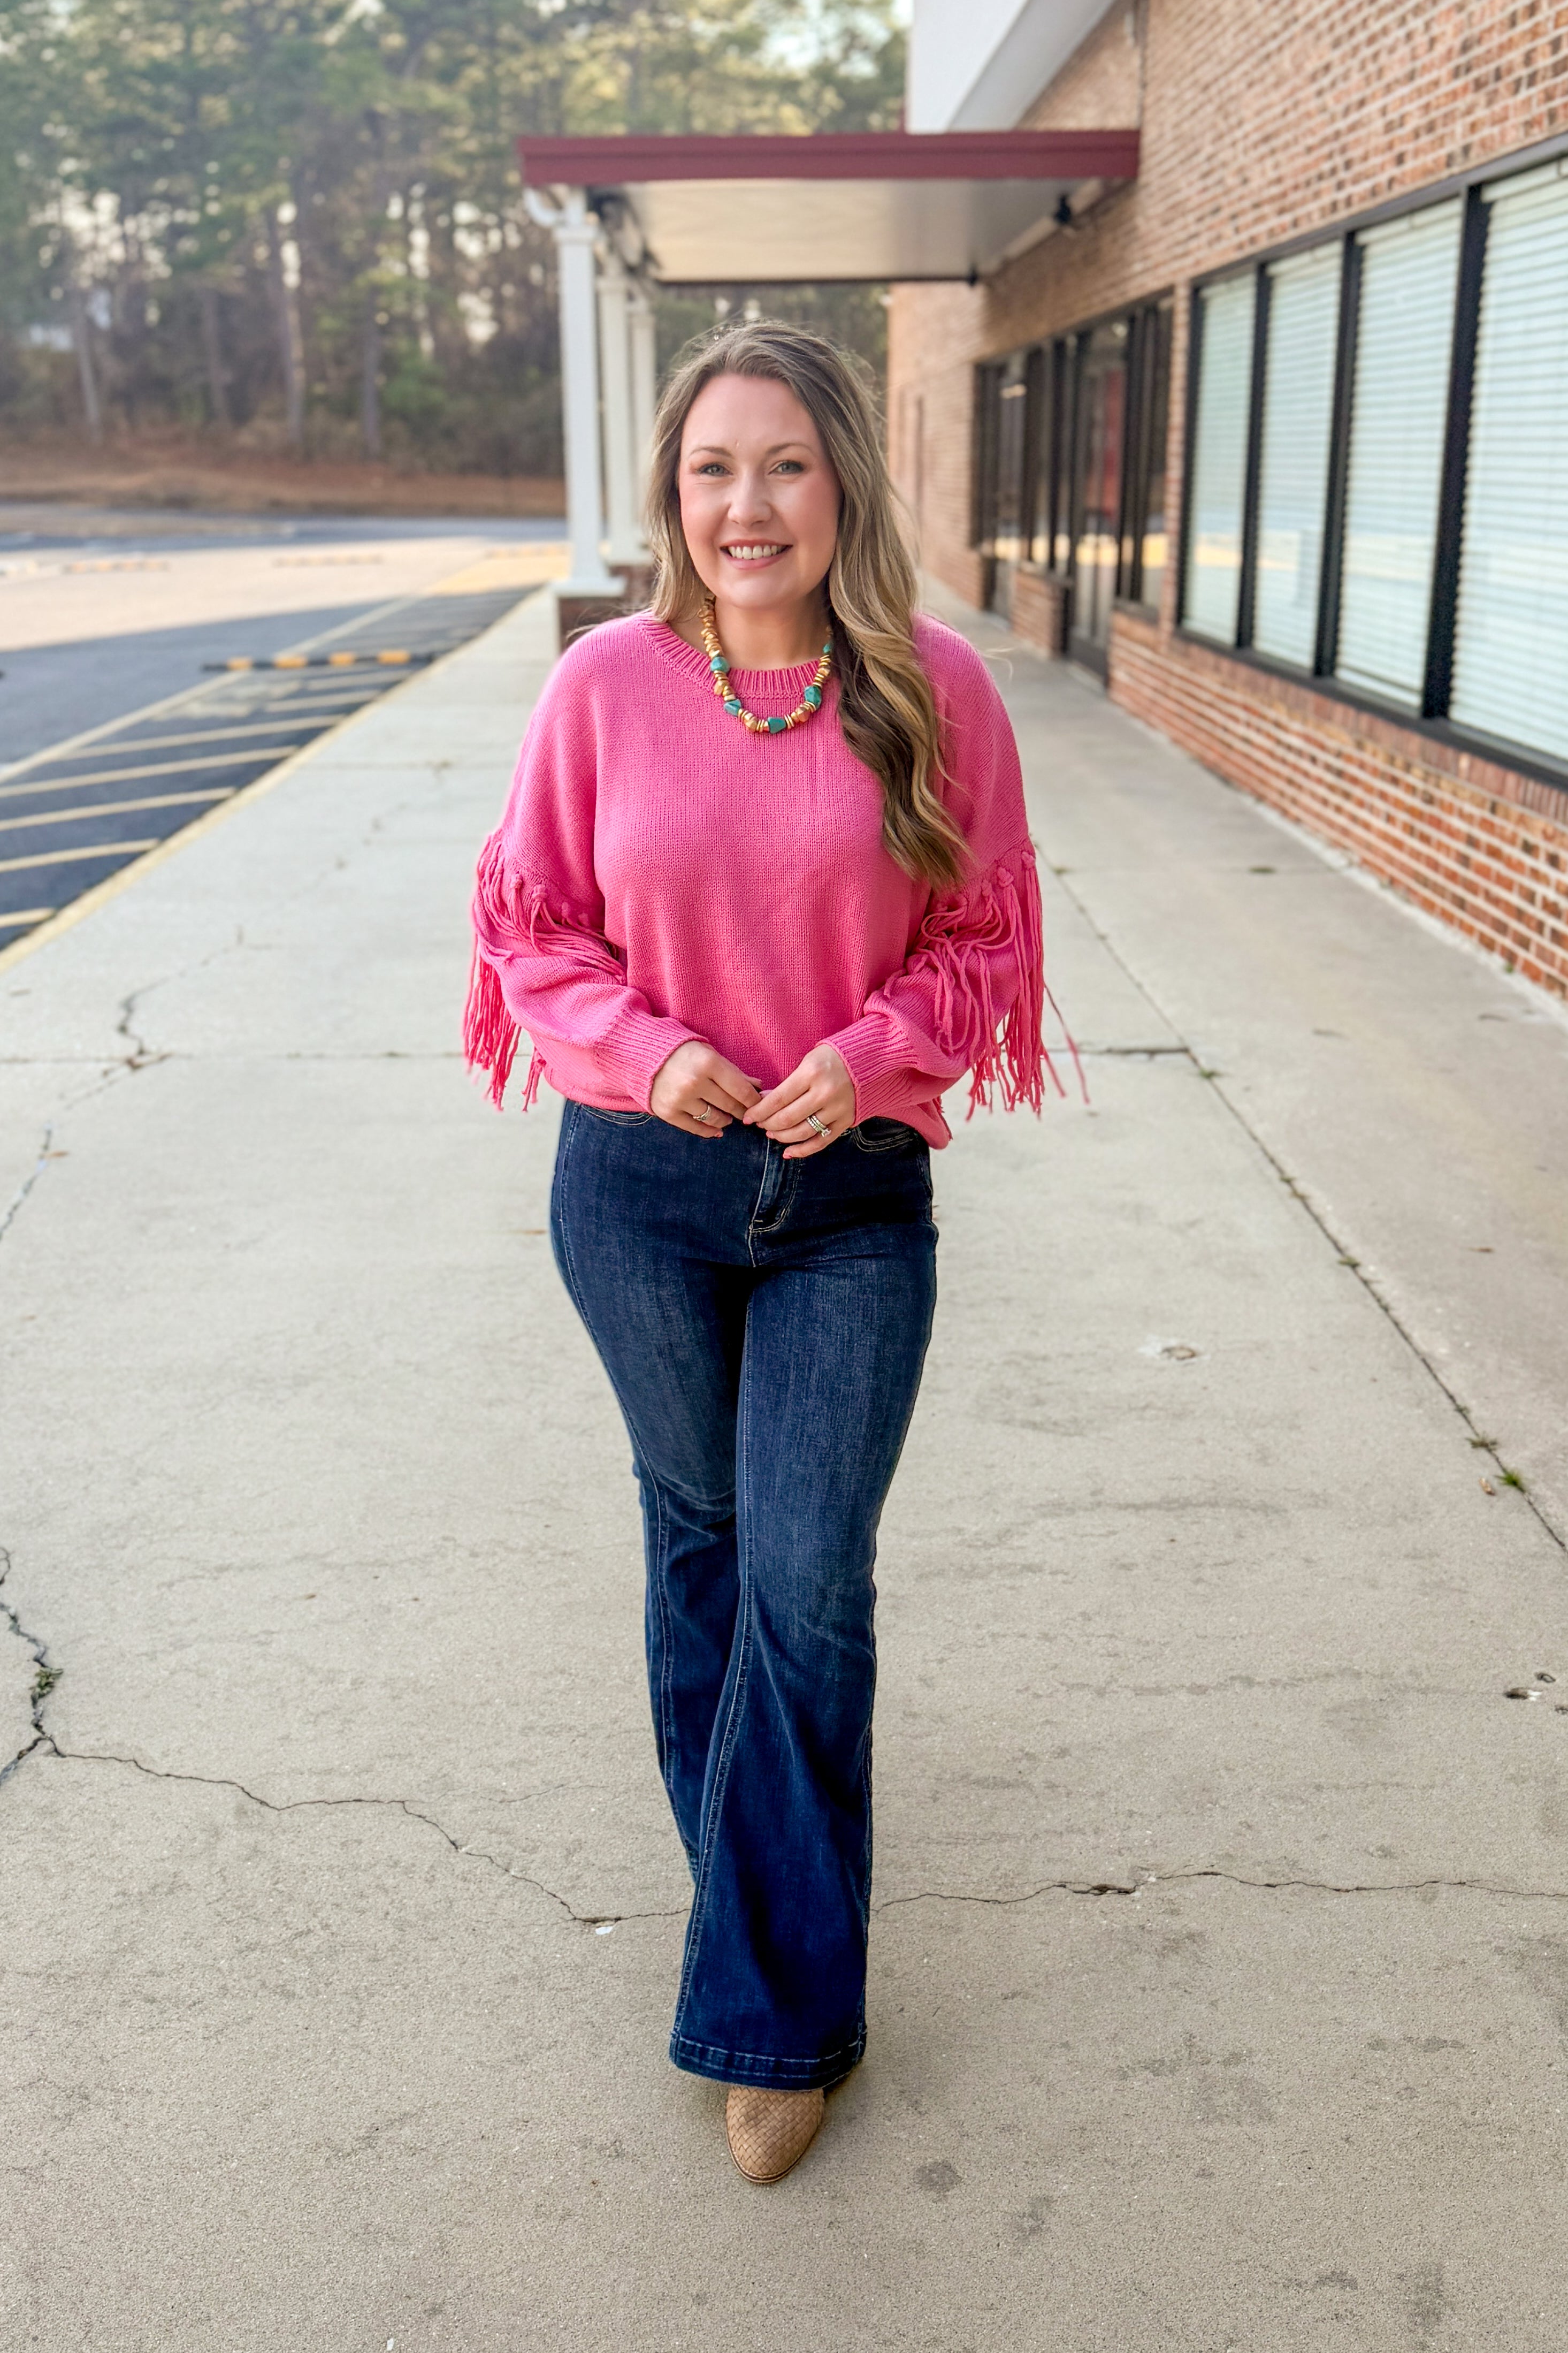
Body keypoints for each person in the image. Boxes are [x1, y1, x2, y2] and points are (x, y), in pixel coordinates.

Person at [465, 319, 1065, 2184]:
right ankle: (768, 1913)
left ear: (840, 488)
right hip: (637, 1195)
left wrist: (871, 1053)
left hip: (851, 1208)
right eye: (714, 468)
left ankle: (774, 2019)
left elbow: (980, 940)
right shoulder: (602, 691)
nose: (748, 505)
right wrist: (653, 1050)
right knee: (702, 1556)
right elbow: (528, 929)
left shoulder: (934, 687)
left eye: (785, 466)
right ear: (672, 489)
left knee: (806, 1587)